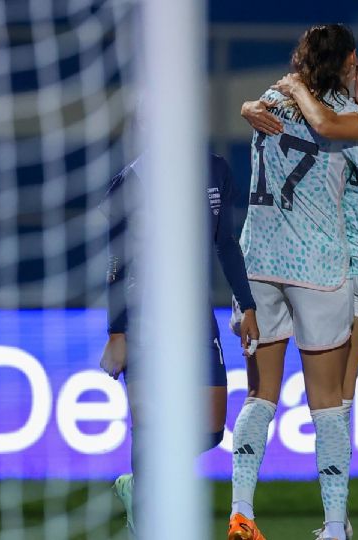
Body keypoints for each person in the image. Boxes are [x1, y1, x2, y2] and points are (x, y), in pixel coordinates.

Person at [229, 24, 358, 540]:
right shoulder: (354, 117)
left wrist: (283, 90)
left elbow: (287, 111)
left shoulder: (274, 98)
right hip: (321, 267)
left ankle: (242, 512)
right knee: (328, 403)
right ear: (348, 63)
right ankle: (336, 524)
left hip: (258, 263)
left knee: (261, 395)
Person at [99, 150, 259, 537]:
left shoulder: (216, 169)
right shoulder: (132, 180)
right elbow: (117, 262)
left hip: (195, 314)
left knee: (211, 429)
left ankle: (142, 483)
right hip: (143, 316)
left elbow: (226, 243)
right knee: (148, 425)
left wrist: (248, 304)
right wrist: (117, 332)